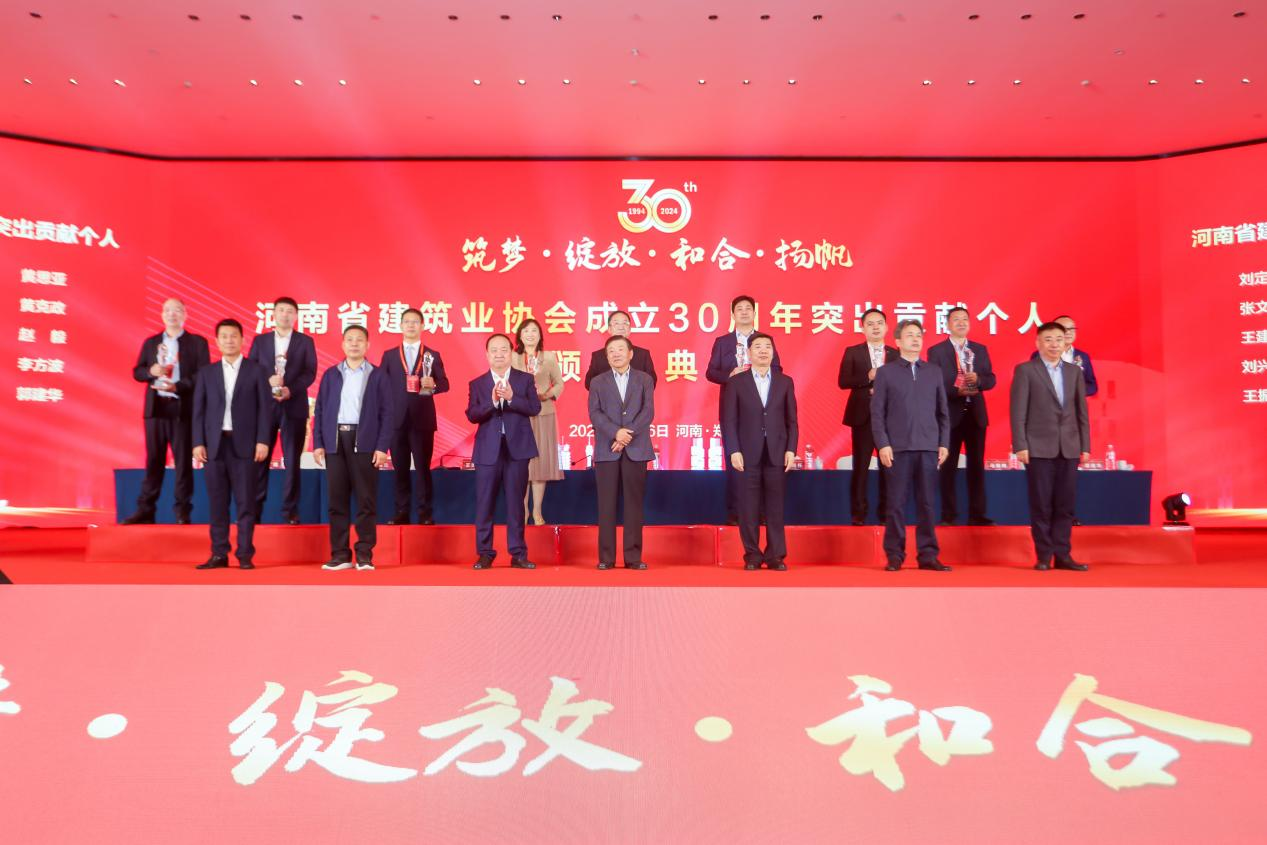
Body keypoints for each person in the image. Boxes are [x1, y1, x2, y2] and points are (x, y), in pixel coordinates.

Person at [312, 325, 394, 571]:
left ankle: (364, 554)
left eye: (359, 340)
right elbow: (320, 410)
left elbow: (387, 414)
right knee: (336, 500)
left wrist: (382, 447)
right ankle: (340, 555)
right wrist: (318, 443)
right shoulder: (331, 374)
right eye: (350, 339)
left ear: (367, 345)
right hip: (335, 441)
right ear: (343, 344)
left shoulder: (378, 375)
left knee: (366, 500)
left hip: (365, 442)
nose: (354, 344)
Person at [1011, 321, 1091, 571]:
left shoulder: (1074, 372)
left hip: (1069, 447)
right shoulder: (1026, 370)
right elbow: (1018, 411)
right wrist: (1020, 444)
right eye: (1048, 339)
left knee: (1065, 505)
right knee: (1041, 504)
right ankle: (1044, 556)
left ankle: (1063, 555)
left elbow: (1081, 412)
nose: (1054, 344)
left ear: (1065, 342)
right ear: (1038, 343)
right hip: (1037, 448)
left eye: (1059, 339)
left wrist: (1085, 445)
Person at [872, 319, 951, 572]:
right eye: (909, 335)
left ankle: (928, 555)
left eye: (918, 335)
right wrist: (883, 444)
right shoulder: (886, 373)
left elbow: (943, 412)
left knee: (927, 504)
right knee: (896, 503)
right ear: (897, 341)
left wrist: (943, 443)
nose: (915, 339)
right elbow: (877, 413)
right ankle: (895, 555)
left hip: (928, 447)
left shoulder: (934, 372)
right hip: (897, 448)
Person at [192, 319, 272, 570]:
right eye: (224, 336)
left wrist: (263, 440)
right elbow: (198, 411)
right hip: (214, 447)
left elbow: (265, 410)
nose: (229, 340)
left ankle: (245, 554)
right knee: (218, 503)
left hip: (245, 446)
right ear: (217, 342)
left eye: (234, 336)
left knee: (246, 503)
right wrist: (197, 442)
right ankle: (219, 554)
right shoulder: (207, 373)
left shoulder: (256, 371)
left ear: (242, 340)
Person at [123, 297, 210, 524]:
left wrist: (178, 386)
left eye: (177, 310)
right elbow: (137, 372)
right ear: (162, 315)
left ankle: (182, 511)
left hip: (182, 408)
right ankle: (145, 509)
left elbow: (203, 375)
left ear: (185, 315)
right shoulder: (151, 343)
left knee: (183, 463)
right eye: (168, 310)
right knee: (154, 460)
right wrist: (150, 372)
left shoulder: (197, 343)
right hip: (156, 409)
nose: (172, 314)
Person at [722, 333, 798, 571]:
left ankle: (776, 556)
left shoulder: (785, 382)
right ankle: (752, 555)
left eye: (768, 347)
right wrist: (733, 449)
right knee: (748, 507)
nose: (763, 351)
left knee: (776, 507)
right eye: (758, 347)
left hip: (777, 451)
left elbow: (792, 421)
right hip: (746, 452)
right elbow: (729, 420)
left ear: (773, 352)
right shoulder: (736, 382)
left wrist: (791, 449)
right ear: (749, 353)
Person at [467, 333, 541, 570]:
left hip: (517, 449)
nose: (499, 354)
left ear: (511, 353)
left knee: (516, 503)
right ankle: (485, 553)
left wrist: (511, 398)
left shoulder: (524, 379)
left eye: (504, 350)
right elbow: (472, 415)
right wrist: (491, 403)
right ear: (487, 355)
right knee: (484, 503)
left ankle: (518, 553)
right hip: (487, 451)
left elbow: (534, 408)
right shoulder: (478, 383)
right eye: (494, 350)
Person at [706, 295, 782, 524]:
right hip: (733, 408)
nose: (744, 312)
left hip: (762, 409)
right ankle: (736, 512)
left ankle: (762, 513)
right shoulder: (723, 342)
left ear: (754, 313)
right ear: (733, 314)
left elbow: (778, 369)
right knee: (735, 458)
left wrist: (756, 372)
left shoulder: (764, 341)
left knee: (763, 458)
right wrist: (730, 374)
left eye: (748, 308)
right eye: (739, 309)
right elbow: (711, 372)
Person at [247, 297, 317, 525]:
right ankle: (254, 510)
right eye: (281, 310)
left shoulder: (305, 342)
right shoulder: (261, 341)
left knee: (292, 461)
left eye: (289, 311)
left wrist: (290, 389)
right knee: (260, 459)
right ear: (274, 314)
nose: (285, 315)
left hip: (293, 406)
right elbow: (251, 369)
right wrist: (267, 380)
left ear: (296, 316)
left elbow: (310, 373)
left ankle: (290, 511)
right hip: (265, 408)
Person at [588, 336, 655, 570]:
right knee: (606, 506)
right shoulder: (598, 382)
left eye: (620, 349)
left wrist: (627, 435)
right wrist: (615, 433)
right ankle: (606, 558)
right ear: (606, 357)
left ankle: (633, 557)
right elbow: (594, 413)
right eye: (611, 351)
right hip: (607, 449)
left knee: (634, 506)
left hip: (636, 449)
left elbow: (647, 412)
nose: (615, 354)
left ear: (630, 354)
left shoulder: (644, 379)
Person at [927, 306, 997, 526]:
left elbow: (991, 378)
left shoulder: (980, 349)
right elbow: (934, 382)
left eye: (964, 319)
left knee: (976, 466)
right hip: (950, 414)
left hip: (975, 414)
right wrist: (956, 391)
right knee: (948, 467)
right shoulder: (936, 351)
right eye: (956, 319)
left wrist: (978, 380)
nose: (961, 323)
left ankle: (978, 515)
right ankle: (949, 515)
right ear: (947, 324)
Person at [379, 307, 450, 525]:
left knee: (422, 469)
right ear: (401, 326)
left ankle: (425, 513)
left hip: (422, 421)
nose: (411, 325)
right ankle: (402, 512)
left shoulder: (432, 355)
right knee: (400, 470)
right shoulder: (390, 355)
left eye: (415, 322)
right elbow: (380, 386)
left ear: (422, 326)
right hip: (396, 421)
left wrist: (433, 385)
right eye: (407, 322)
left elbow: (445, 383)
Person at [838, 308, 898, 525]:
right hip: (863, 416)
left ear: (886, 327)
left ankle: (886, 514)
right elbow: (843, 381)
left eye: (879, 323)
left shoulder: (895, 354)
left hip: (889, 418)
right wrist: (867, 377)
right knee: (861, 467)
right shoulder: (853, 351)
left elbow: (902, 385)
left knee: (888, 468)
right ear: (862, 328)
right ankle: (859, 513)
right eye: (870, 324)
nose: (875, 327)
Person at [512, 319, 564, 525]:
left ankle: (537, 511)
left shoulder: (548, 357)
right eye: (526, 331)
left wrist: (547, 394)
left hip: (544, 412)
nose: (530, 334)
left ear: (540, 335)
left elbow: (559, 383)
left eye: (534, 330)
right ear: (520, 335)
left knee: (540, 465)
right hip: (520, 415)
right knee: (521, 464)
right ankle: (523, 510)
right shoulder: (513, 357)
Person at [583, 310, 657, 389]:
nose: (621, 327)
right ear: (609, 329)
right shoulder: (598, 356)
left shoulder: (643, 354)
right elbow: (589, 384)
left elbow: (651, 382)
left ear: (629, 329)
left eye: (625, 323)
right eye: (616, 323)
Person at [1029, 315, 1098, 396]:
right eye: (1063, 328)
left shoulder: (1083, 356)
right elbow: (1033, 383)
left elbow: (1092, 385)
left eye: (1072, 328)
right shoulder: (1040, 354)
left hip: (1073, 403)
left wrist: (1076, 392)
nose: (1068, 332)